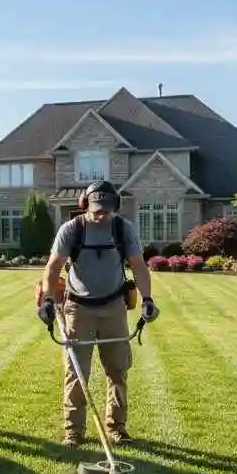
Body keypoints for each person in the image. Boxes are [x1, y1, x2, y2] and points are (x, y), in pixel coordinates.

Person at [36, 180, 159, 446]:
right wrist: (47, 300)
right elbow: (53, 267)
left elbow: (138, 266)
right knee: (76, 372)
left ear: (115, 206)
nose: (101, 213)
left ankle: (116, 429)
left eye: (106, 208)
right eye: (96, 208)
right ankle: (74, 432)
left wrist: (148, 299)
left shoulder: (123, 229)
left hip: (114, 307)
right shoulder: (71, 229)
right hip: (77, 308)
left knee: (118, 369)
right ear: (84, 205)